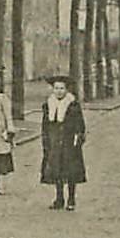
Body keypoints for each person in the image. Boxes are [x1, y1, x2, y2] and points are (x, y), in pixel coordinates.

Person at [39, 73, 87, 211]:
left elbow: (80, 124)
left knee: (70, 170)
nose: (59, 91)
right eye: (56, 88)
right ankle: (59, 198)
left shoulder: (73, 105)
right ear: (52, 90)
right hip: (54, 141)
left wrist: (78, 138)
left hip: (68, 142)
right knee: (56, 171)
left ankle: (71, 199)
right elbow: (45, 124)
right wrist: (45, 140)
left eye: (62, 88)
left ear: (67, 90)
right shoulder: (48, 105)